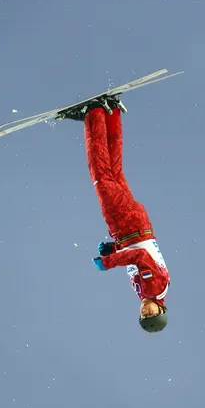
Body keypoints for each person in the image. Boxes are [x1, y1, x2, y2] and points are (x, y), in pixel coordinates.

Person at [58, 96, 170, 333]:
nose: (145, 311)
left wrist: (113, 249)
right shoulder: (153, 289)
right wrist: (108, 263)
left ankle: (110, 114)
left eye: (143, 316)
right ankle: (93, 114)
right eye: (151, 314)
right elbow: (139, 255)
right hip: (127, 225)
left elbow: (137, 255)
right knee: (100, 174)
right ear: (161, 310)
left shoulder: (149, 291)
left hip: (133, 226)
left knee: (113, 172)